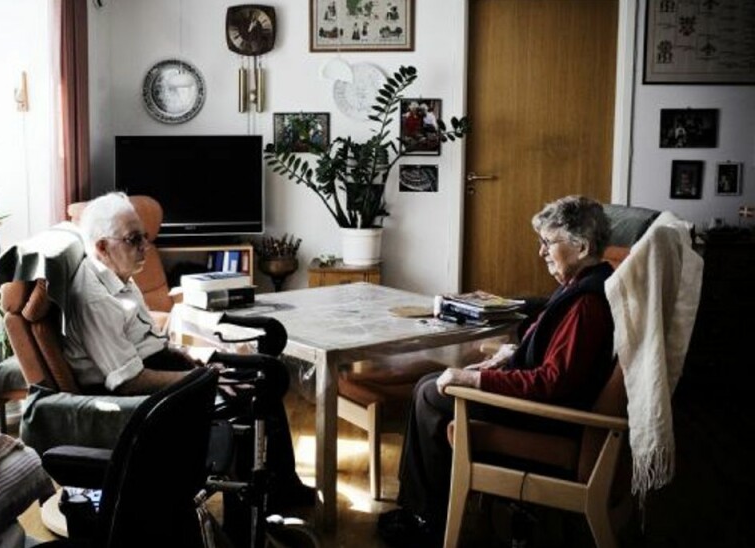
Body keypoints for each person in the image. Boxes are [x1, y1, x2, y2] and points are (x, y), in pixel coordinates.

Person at [378, 195, 617, 546]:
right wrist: (513, 352)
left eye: (549, 242)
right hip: (547, 405)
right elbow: (557, 356)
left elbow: (552, 382)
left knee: (430, 393)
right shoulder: (585, 285)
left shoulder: (586, 305)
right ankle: (422, 509)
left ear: (580, 247)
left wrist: (475, 378)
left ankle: (426, 521)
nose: (542, 252)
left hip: (547, 417)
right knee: (430, 385)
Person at [62, 192, 316, 510]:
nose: (145, 247)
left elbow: (147, 336)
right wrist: (196, 377)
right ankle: (256, 506)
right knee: (255, 395)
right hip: (137, 393)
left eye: (145, 237)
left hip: (156, 366)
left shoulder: (118, 272)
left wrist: (185, 358)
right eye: (133, 239)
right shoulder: (95, 297)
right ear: (102, 246)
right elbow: (126, 381)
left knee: (263, 377)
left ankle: (279, 489)